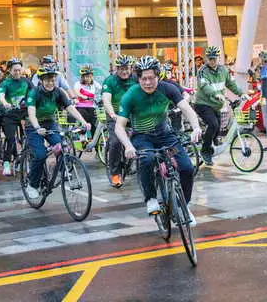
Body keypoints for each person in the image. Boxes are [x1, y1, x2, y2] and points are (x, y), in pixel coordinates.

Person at [115, 56, 202, 220]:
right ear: (138, 78)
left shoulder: (168, 89)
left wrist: (196, 127)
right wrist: (128, 146)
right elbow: (119, 126)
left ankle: (184, 206)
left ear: (158, 76)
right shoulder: (131, 95)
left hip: (166, 136)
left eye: (151, 78)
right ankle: (151, 198)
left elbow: (187, 109)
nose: (148, 83)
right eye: (143, 79)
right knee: (147, 159)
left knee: (187, 168)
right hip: (142, 138)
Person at [24, 66, 91, 199]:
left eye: (53, 80)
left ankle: (63, 169)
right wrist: (37, 127)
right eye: (47, 80)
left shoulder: (58, 92)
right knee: (40, 155)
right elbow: (31, 113)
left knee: (62, 147)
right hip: (33, 126)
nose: (51, 82)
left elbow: (70, 107)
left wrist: (83, 122)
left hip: (50, 123)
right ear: (41, 80)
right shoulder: (34, 93)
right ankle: (32, 184)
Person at [194, 46, 247, 166]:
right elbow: (205, 86)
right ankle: (205, 151)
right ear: (207, 59)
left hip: (216, 105)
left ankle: (210, 143)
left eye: (215, 58)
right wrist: (216, 94)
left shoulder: (224, 70)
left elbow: (231, 84)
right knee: (213, 124)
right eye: (210, 58)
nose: (212, 61)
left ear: (219, 58)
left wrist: (242, 93)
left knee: (217, 127)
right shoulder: (202, 71)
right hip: (203, 104)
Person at [102, 54, 137, 188]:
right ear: (116, 68)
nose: (124, 71)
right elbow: (106, 99)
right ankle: (115, 173)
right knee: (116, 142)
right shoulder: (110, 81)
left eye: (126, 68)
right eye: (121, 68)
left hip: (132, 115)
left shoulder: (135, 79)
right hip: (116, 116)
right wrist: (112, 114)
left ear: (131, 68)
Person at [0, 58, 33, 176]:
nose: (17, 72)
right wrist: (5, 103)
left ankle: (25, 158)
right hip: (10, 114)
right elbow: (1, 95)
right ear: (9, 70)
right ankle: (7, 163)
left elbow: (34, 93)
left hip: (24, 113)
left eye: (19, 70)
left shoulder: (26, 81)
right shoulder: (5, 83)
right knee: (10, 139)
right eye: (15, 70)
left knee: (29, 137)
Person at [73, 65, 102, 132]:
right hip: (80, 106)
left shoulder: (94, 83)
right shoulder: (78, 84)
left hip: (91, 107)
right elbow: (77, 92)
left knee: (94, 123)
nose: (88, 78)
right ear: (82, 77)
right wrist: (84, 97)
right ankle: (82, 134)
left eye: (90, 77)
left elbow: (102, 89)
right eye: (86, 77)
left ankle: (94, 137)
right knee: (84, 118)